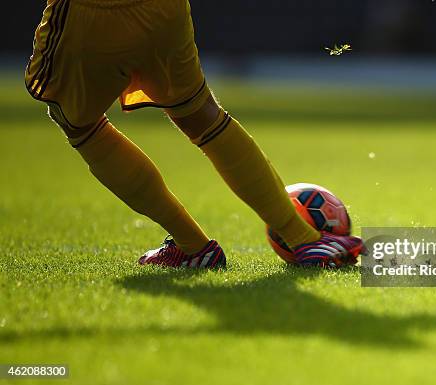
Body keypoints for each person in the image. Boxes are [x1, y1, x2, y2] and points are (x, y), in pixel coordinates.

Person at [26, 0, 364, 269]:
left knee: (76, 121)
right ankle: (304, 237)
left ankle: (193, 247)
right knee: (199, 114)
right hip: (165, 8)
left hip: (93, 13)